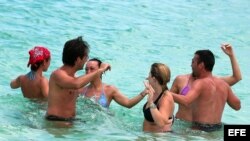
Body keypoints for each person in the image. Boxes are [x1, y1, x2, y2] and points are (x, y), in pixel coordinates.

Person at [172, 49, 241, 132]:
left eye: (193, 62)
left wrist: (165, 92)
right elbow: (237, 106)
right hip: (216, 130)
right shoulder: (224, 84)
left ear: (201, 65)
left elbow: (186, 100)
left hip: (197, 128)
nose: (191, 65)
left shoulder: (200, 83)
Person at [46, 36, 110, 123]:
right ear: (78, 59)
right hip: (56, 122)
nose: (86, 59)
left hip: (70, 122)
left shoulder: (73, 78)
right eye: (86, 56)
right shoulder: (58, 74)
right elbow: (77, 84)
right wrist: (100, 70)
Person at [81, 58, 148, 109]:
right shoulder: (81, 91)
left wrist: (144, 92)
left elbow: (128, 103)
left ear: (101, 71)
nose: (88, 72)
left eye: (92, 69)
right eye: (86, 69)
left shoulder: (109, 89)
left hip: (103, 125)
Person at [142, 63, 175, 132]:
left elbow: (161, 123)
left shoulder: (166, 97)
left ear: (154, 79)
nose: (147, 78)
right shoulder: (154, 92)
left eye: (149, 74)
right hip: (149, 136)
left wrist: (151, 103)